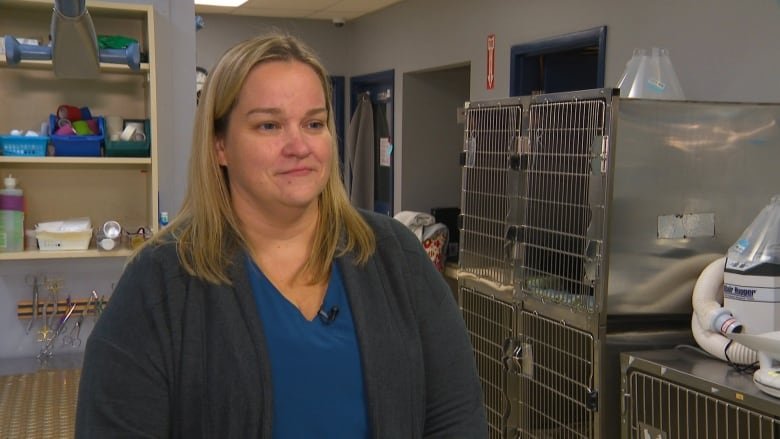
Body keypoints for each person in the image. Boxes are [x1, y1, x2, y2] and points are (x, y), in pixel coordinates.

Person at [75, 33, 487, 438]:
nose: (299, 145)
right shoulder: (160, 282)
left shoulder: (394, 254)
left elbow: (456, 414)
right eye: (269, 125)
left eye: (314, 123)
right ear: (220, 145)